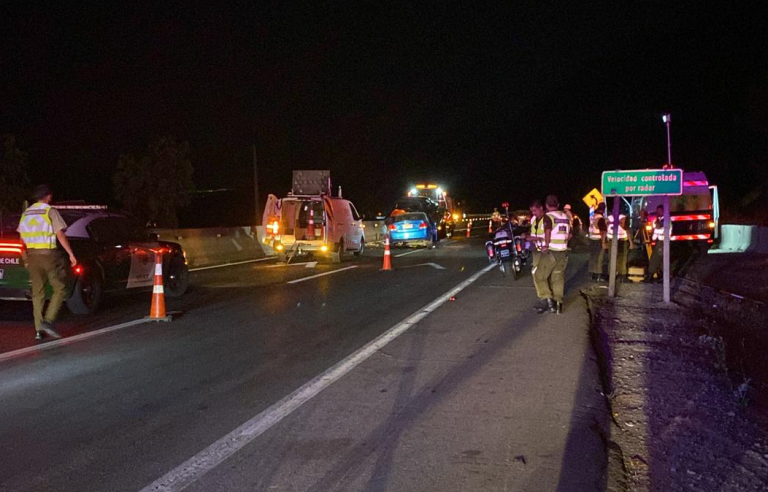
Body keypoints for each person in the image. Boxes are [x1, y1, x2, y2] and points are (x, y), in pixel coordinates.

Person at [17, 185, 77, 340]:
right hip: (49, 255)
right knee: (60, 288)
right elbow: (60, 235)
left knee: (37, 293)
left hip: (32, 256)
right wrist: (71, 254)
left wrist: (25, 259)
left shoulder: (26, 214)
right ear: (48, 196)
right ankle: (48, 321)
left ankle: (38, 330)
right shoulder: (50, 211)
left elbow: (21, 239)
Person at [528, 196, 571, 314]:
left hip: (551, 251)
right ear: (558, 204)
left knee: (538, 275)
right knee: (558, 277)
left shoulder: (548, 217)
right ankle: (558, 304)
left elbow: (545, 232)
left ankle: (547, 300)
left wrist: (545, 244)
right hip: (563, 251)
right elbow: (570, 234)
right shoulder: (565, 217)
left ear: (546, 206)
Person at [605, 207, 630, 281]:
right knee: (616, 258)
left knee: (618, 258)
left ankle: (618, 275)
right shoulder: (611, 218)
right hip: (615, 240)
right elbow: (626, 228)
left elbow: (625, 227)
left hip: (619, 240)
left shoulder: (620, 217)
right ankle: (616, 275)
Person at [645, 205, 665, 283]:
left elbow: (660, 230)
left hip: (662, 242)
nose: (658, 212)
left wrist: (655, 232)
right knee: (660, 259)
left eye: (660, 211)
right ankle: (661, 276)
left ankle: (651, 276)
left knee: (656, 258)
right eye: (658, 211)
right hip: (660, 241)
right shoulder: (660, 219)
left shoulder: (665, 220)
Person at [588, 203, 608, 280]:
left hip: (592, 239)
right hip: (598, 240)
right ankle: (598, 275)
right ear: (603, 210)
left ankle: (591, 274)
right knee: (599, 258)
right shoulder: (600, 219)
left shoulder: (592, 216)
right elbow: (603, 232)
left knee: (592, 257)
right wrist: (603, 243)